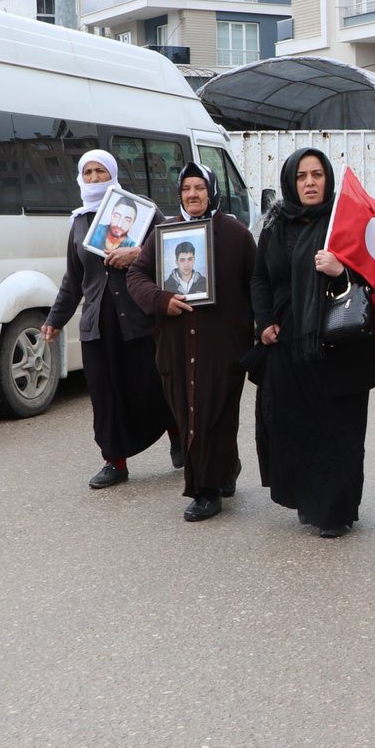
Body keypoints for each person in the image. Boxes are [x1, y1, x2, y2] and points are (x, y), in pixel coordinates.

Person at [251, 148, 375, 538]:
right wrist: (263, 322)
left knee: (337, 429)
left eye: (317, 174)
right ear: (291, 182)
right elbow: (260, 277)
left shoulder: (344, 221)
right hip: (287, 342)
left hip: (336, 343)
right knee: (292, 424)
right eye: (301, 176)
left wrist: (341, 268)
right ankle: (306, 498)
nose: (310, 182)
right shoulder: (275, 224)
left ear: (328, 179)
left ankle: (335, 510)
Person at [128, 163, 256, 522]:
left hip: (223, 344)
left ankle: (208, 487)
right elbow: (137, 275)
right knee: (190, 413)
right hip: (177, 345)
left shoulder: (236, 234)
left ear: (212, 190)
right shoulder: (163, 234)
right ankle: (213, 479)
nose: (193, 194)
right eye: (186, 189)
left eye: (200, 187)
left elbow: (255, 282)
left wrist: (260, 329)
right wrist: (160, 299)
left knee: (219, 413)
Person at [43, 151, 176, 489]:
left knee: (153, 386)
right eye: (87, 172)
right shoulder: (79, 221)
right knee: (105, 395)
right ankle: (114, 461)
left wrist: (138, 253)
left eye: (100, 171)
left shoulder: (142, 211)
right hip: (97, 324)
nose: (93, 177)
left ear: (112, 174)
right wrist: (55, 319)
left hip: (138, 319)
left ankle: (178, 436)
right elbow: (73, 280)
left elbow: (172, 246)